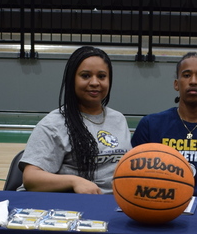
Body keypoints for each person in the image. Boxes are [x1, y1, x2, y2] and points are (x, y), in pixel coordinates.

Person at [20, 46, 130, 194]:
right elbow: (31, 178)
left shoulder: (118, 119)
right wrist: (74, 181)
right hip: (73, 205)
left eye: (102, 76)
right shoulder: (54, 124)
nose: (95, 82)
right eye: (85, 76)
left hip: (117, 204)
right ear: (72, 80)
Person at [131, 52, 197, 198]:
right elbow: (134, 176)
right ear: (176, 84)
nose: (193, 81)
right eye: (186, 75)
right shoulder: (151, 125)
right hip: (160, 208)